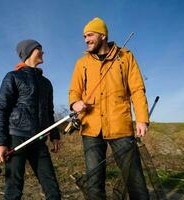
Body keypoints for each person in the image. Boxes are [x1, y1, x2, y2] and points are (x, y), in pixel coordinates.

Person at [68, 17, 150, 199]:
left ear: (102, 35)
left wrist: (142, 119)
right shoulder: (82, 63)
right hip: (91, 128)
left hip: (120, 126)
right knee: (94, 183)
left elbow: (137, 89)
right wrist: (75, 103)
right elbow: (74, 91)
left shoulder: (126, 56)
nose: (86, 39)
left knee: (135, 179)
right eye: (84, 36)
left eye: (89, 35)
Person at [0, 39, 61, 200]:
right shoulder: (13, 77)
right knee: (14, 189)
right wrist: (0, 143)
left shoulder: (46, 83)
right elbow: (1, 109)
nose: (43, 52)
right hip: (16, 138)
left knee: (52, 188)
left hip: (39, 139)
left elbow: (49, 112)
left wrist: (55, 135)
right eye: (39, 49)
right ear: (29, 52)